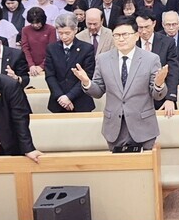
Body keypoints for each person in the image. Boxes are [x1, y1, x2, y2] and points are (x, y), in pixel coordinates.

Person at [72, 15, 168, 149]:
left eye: (125, 34)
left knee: (144, 167)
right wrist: (87, 82)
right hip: (114, 127)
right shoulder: (103, 59)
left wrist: (159, 84)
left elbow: (158, 95)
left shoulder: (151, 59)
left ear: (136, 36)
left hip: (143, 126)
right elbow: (98, 91)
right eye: (116, 35)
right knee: (118, 168)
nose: (121, 39)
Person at [45, 13, 96, 113]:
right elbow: (50, 75)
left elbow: (88, 75)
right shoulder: (51, 48)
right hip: (58, 101)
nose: (63, 37)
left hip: (81, 101)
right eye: (60, 33)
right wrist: (61, 97)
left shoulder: (87, 49)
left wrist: (69, 97)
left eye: (67, 33)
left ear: (75, 30)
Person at [134, 10, 178, 116]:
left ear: (154, 24)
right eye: (140, 27)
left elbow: (173, 70)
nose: (144, 31)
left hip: (162, 98)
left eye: (147, 27)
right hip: (137, 100)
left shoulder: (167, 43)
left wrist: (170, 98)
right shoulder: (132, 43)